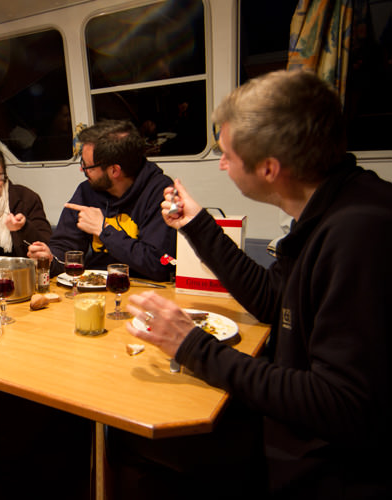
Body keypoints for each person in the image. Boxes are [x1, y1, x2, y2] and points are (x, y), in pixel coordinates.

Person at [121, 70, 392, 498]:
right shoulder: (331, 205)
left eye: (227, 154)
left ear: (269, 168)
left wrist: (191, 345)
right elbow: (273, 299)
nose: (223, 164)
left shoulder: (360, 234)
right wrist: (196, 222)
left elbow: (340, 405)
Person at [27, 119, 176, 281]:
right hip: (93, 286)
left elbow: (159, 264)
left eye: (87, 166)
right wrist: (50, 258)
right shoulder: (87, 191)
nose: (81, 169)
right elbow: (65, 247)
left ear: (114, 170)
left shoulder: (160, 192)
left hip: (146, 290)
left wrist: (104, 230)